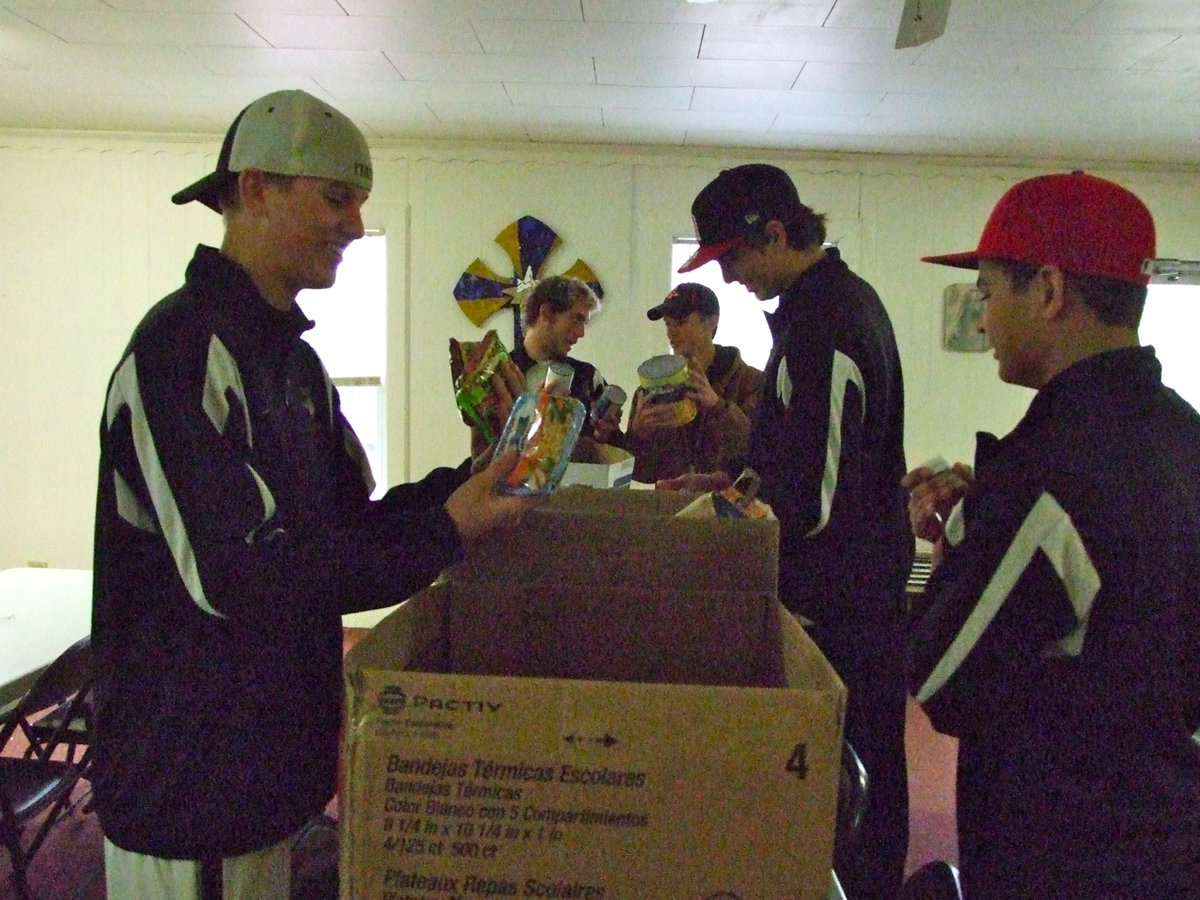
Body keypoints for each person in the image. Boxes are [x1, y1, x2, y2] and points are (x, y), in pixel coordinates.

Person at [90, 89, 534, 900]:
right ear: (254, 189)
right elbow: (242, 579)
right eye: (336, 198)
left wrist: (469, 480)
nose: (356, 227)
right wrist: (445, 529)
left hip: (272, 769)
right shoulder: (180, 352)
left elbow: (345, 531)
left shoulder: (293, 363)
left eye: (359, 204)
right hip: (193, 784)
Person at [903, 171, 1200, 898]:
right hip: (1168, 827)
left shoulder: (1052, 465)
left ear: (1048, 290)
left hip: (1070, 850)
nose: (983, 319)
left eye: (989, 293)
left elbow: (943, 678)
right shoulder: (1181, 433)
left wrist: (958, 553)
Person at [668, 164, 912, 900]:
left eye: (734, 259)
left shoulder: (828, 325)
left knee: (857, 783)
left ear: (775, 234)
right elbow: (791, 458)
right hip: (838, 594)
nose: (733, 278)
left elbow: (816, 504)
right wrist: (728, 484)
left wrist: (730, 521)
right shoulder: (816, 312)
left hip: (845, 606)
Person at [625, 282, 763, 481]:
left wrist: (718, 407)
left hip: (727, 509)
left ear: (711, 322)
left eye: (680, 322)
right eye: (667, 324)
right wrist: (639, 436)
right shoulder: (651, 390)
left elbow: (761, 454)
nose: (671, 333)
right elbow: (641, 475)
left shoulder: (751, 382)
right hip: (668, 508)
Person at [509, 274, 623, 456]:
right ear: (546, 312)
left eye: (584, 322)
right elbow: (486, 454)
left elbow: (614, 449)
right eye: (576, 319)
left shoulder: (588, 376)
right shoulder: (501, 373)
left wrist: (606, 434)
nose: (581, 333)